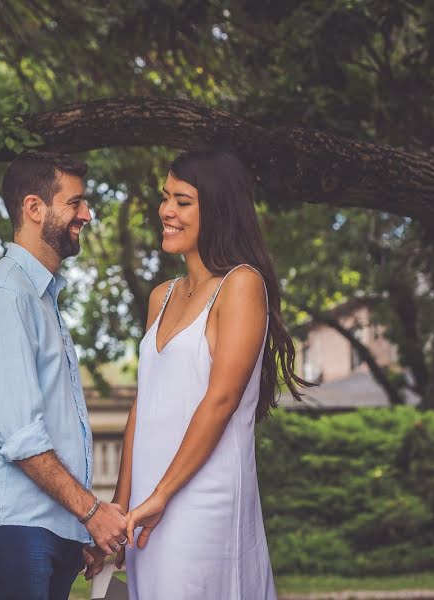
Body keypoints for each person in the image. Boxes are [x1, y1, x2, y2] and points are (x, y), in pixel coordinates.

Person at [114, 150, 310, 599]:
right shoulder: (160, 296)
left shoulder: (242, 285)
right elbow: (143, 406)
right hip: (148, 503)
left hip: (202, 499)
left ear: (217, 207)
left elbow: (220, 401)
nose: (166, 210)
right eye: (166, 198)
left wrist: (162, 494)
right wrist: (120, 506)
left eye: (183, 201)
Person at [0, 152, 127, 600]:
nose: (87, 215)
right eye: (76, 203)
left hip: (46, 527)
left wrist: (77, 525)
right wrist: (91, 512)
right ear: (34, 208)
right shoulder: (7, 295)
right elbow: (21, 435)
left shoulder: (42, 298)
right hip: (14, 527)